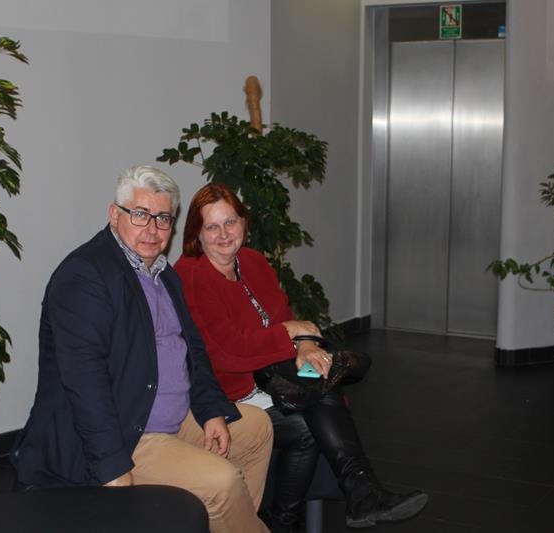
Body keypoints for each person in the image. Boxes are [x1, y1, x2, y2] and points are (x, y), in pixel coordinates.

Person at [11, 166, 273, 533]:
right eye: (140, 214)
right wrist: (112, 467)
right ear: (114, 214)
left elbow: (192, 351)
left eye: (163, 218)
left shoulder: (163, 274)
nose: (152, 229)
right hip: (128, 432)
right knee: (223, 482)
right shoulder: (85, 275)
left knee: (256, 428)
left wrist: (211, 410)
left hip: (173, 416)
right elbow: (84, 381)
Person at [174, 182, 429, 531]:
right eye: (212, 226)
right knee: (311, 420)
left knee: (320, 379)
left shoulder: (253, 261)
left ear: (244, 223)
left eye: (230, 222)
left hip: (269, 378)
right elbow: (229, 351)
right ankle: (314, 511)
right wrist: (291, 333)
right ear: (196, 234)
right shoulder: (191, 275)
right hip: (228, 392)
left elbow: (285, 318)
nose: (224, 234)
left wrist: (306, 344)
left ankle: (358, 493)